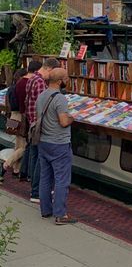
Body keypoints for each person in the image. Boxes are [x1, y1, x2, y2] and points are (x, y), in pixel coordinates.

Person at [37, 67, 76, 225]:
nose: (67, 80)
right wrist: (72, 118)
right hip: (59, 143)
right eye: (66, 78)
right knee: (62, 179)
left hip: (43, 141)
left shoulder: (42, 95)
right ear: (60, 81)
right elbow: (63, 121)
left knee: (45, 178)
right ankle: (60, 214)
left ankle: (45, 210)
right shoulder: (60, 99)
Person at [24, 57, 60, 202]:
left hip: (32, 122)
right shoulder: (40, 82)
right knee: (41, 159)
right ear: (50, 69)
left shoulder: (32, 79)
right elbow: (43, 105)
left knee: (35, 156)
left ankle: (34, 188)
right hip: (39, 125)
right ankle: (37, 192)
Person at [3, 68, 27, 175]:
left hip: (12, 116)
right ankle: (7, 163)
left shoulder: (10, 88)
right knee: (23, 147)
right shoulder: (20, 89)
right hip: (19, 116)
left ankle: (16, 169)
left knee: (18, 144)